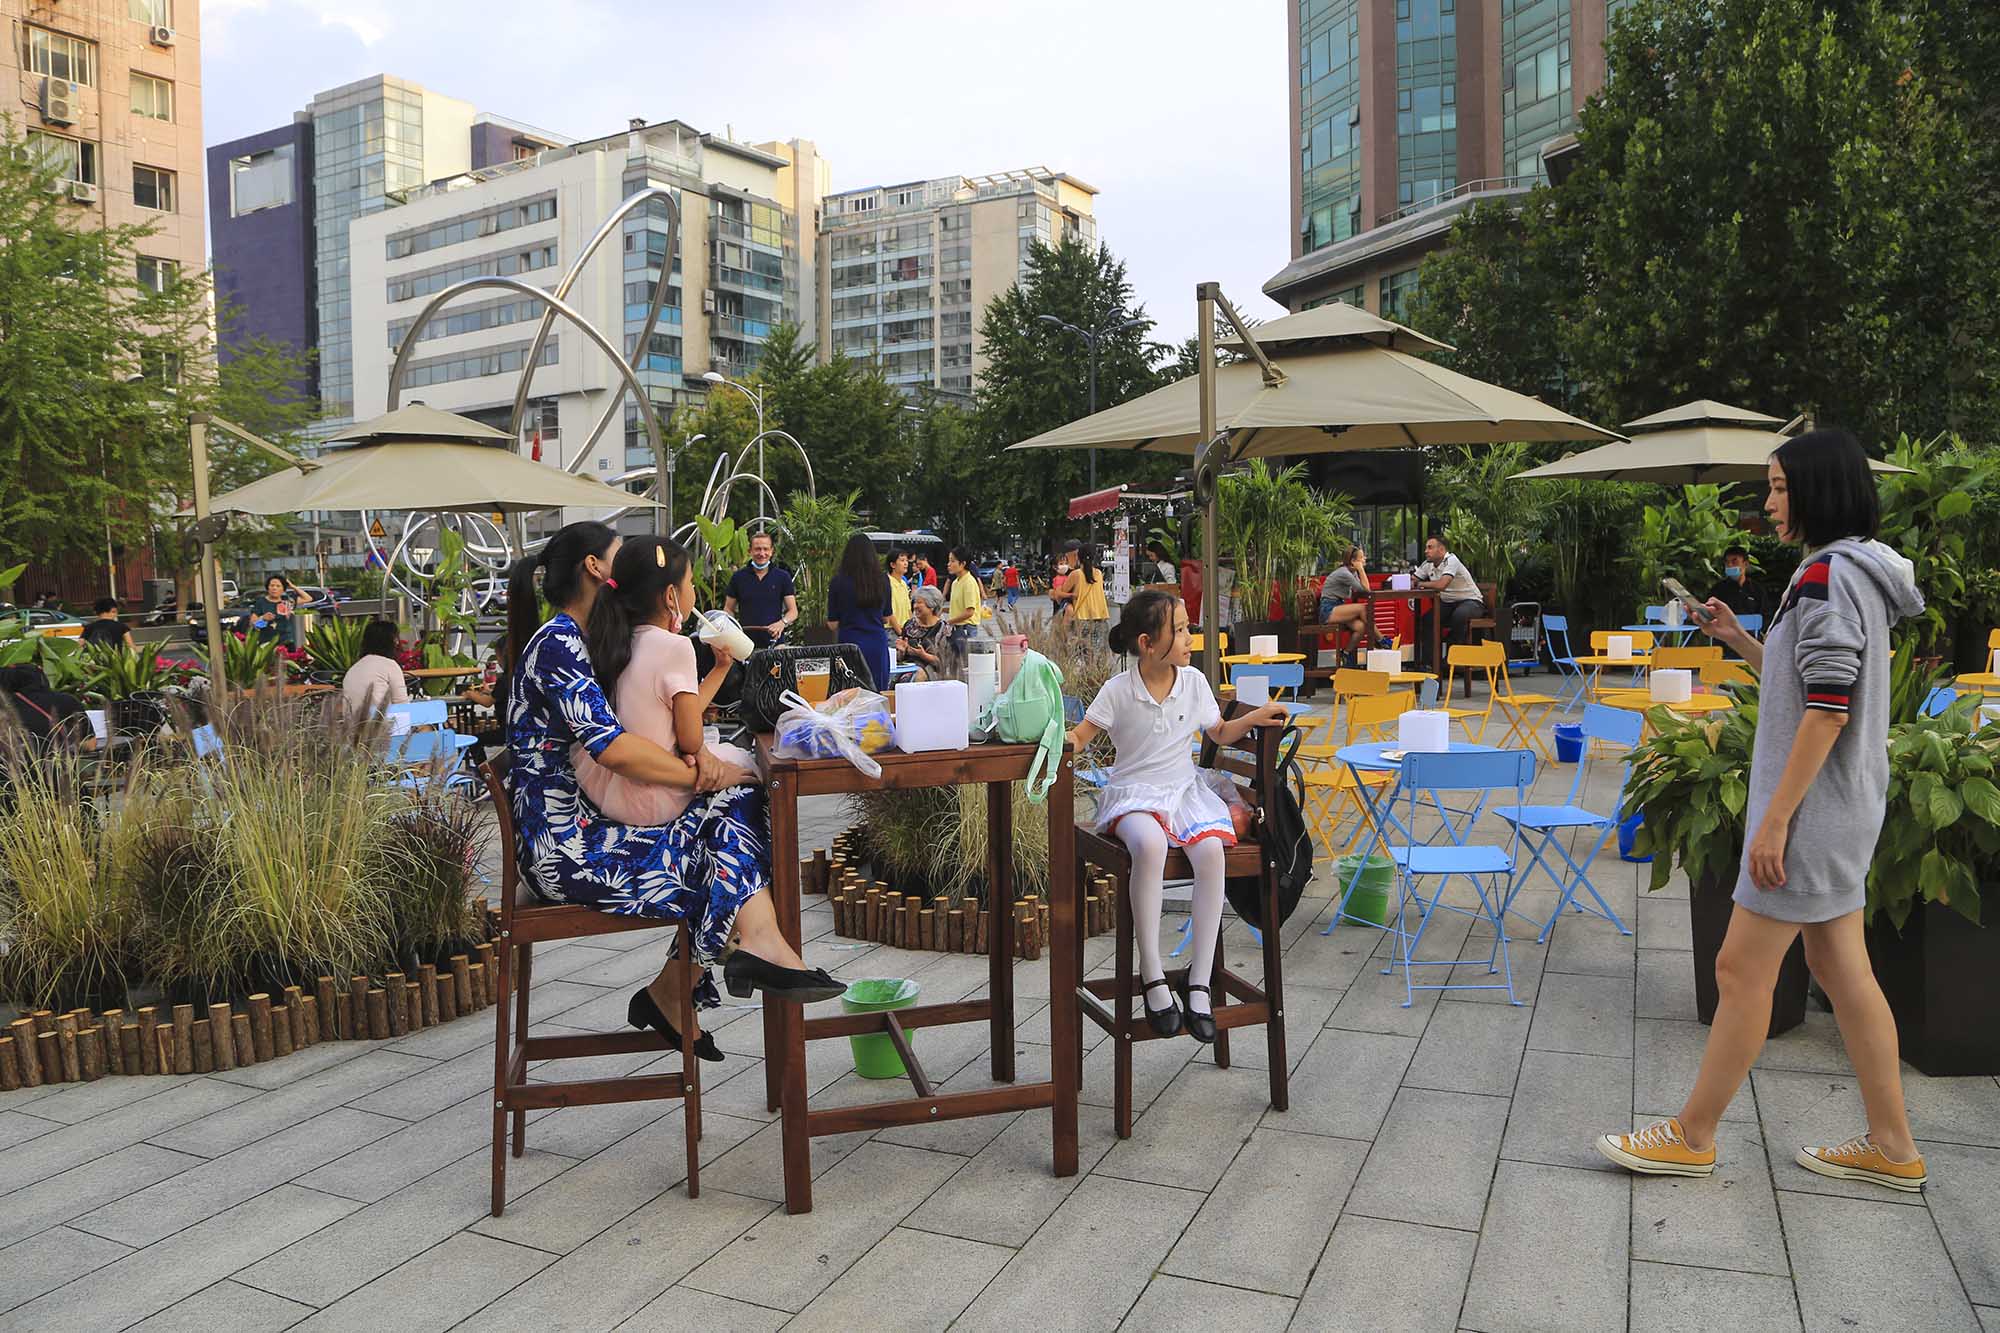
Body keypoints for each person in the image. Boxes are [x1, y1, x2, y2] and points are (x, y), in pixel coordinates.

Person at [1597, 429, 1928, 1193]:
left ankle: (1692, 1134)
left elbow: (1827, 710)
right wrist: (1740, 638)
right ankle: (1893, 1146)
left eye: (1779, 487)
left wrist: (1775, 820)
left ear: (1818, 489)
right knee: (1841, 970)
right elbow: (1808, 681)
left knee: (1739, 968)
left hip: (1810, 814)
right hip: (1842, 807)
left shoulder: (1826, 576)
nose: (1770, 501)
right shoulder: (1851, 571)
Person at [505, 521, 842, 1045]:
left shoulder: (594, 637)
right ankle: (720, 962)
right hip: (562, 846)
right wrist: (702, 773)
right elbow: (613, 747)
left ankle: (696, 977)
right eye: (620, 554)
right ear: (594, 568)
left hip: (593, 819)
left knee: (734, 809)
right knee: (724, 834)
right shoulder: (559, 643)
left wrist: (708, 770)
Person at [1064, 591, 1288, 1042]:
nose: (1190, 638)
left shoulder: (1194, 682)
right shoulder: (1119, 690)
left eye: (1188, 628)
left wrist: (1256, 716)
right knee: (1148, 845)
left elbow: (1219, 732)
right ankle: (1152, 974)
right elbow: (1081, 736)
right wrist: (1051, 737)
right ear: (1147, 644)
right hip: (1133, 795)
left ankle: (1199, 981)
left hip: (1185, 793)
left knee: (1211, 853)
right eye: (1180, 630)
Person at [826, 532, 892, 690]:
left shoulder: (838, 582)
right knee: (877, 691)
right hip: (876, 643)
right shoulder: (882, 580)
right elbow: (886, 618)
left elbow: (832, 624)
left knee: (850, 692)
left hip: (849, 644)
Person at [1412, 535, 1484, 669]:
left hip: (1471, 601)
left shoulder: (1451, 560)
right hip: (1448, 603)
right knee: (1428, 619)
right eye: (1426, 548)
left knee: (1460, 615)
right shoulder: (1428, 564)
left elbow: (1441, 585)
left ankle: (1452, 659)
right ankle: (1430, 663)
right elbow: (1413, 580)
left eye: (1430, 547)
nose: (1426, 551)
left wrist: (1421, 584)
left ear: (1441, 550)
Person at [722, 529, 798, 649]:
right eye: (757, 549)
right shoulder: (738, 577)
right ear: (750, 551)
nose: (762, 553)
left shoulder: (783, 577)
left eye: (765, 549)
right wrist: (733, 628)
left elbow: (793, 611)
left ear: (772, 551)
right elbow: (728, 608)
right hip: (745, 644)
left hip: (776, 643)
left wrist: (781, 623)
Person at [341, 619, 410, 718]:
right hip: (379, 724)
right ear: (391, 642)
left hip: (352, 725)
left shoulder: (353, 668)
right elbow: (402, 705)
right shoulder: (389, 665)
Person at [1316, 546, 1374, 652]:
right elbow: (1367, 589)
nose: (1365, 559)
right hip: (1327, 610)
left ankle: (1346, 653)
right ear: (1353, 561)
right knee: (1362, 608)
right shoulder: (1345, 573)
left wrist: (1359, 570)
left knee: (1360, 627)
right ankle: (1381, 639)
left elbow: (1364, 589)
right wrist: (1361, 569)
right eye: (1361, 557)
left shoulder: (1352, 572)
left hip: (1337, 607)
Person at [1706, 545, 1772, 623]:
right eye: (1727, 562)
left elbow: (1765, 616)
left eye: (1734, 562)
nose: (1730, 565)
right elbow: (1709, 615)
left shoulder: (1757, 590)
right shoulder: (1717, 589)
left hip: (1750, 630)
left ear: (1746, 564)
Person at [896, 586, 950, 679]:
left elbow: (944, 662)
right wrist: (901, 652)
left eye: (919, 603)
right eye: (915, 602)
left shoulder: (944, 629)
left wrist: (923, 655)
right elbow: (900, 659)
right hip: (907, 669)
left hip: (931, 672)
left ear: (931, 606)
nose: (915, 606)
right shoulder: (909, 625)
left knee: (916, 676)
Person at [1070, 542, 1110, 644]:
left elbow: (1061, 592)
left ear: (1078, 557)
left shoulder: (1075, 574)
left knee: (1081, 651)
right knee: (1097, 651)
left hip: (1081, 618)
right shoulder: (1099, 573)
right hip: (1100, 618)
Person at [945, 546, 984, 649]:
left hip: (966, 629)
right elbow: (959, 608)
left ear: (963, 564)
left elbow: (969, 612)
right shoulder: (955, 582)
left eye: (952, 561)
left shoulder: (969, 582)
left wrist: (949, 622)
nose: (949, 564)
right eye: (949, 561)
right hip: (956, 628)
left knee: (964, 657)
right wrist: (942, 610)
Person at [249, 575, 301, 648]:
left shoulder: (287, 601)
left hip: (287, 641)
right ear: (268, 588)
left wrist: (293, 586)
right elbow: (253, 625)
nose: (274, 588)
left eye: (278, 586)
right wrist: (263, 619)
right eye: (272, 585)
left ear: (283, 589)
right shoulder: (261, 602)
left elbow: (308, 598)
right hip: (267, 643)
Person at [883, 549, 913, 634]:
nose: (906, 563)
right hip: (891, 630)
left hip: (905, 629)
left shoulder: (904, 583)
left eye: (906, 560)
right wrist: (900, 632)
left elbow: (908, 609)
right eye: (902, 560)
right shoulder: (887, 582)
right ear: (893, 565)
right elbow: (889, 611)